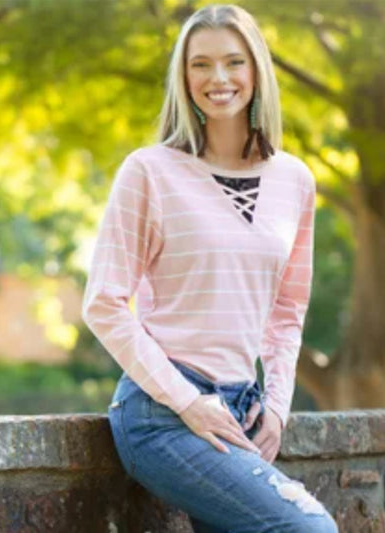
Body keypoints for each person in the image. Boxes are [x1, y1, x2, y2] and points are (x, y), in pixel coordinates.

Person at [82, 4, 338, 532]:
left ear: (257, 71)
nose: (217, 78)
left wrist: (277, 406)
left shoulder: (295, 181)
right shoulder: (149, 171)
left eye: (233, 62)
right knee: (308, 527)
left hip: (241, 411)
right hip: (162, 416)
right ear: (183, 77)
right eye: (200, 65)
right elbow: (104, 304)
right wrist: (189, 402)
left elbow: (287, 310)